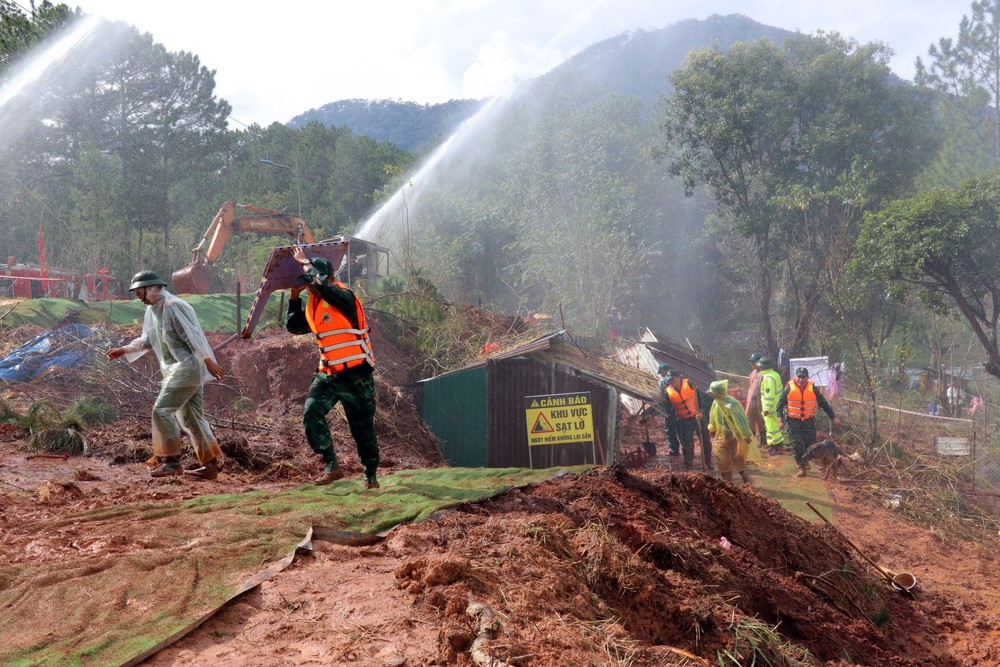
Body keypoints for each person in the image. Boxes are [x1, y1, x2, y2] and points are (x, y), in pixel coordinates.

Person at [106, 270, 225, 479]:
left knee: (161, 410)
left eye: (138, 292)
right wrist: (123, 350)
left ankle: (172, 462)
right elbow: (147, 340)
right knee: (192, 417)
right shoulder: (153, 310)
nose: (137, 297)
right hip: (176, 369)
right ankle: (210, 465)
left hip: (187, 368)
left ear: (150, 289)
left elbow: (192, 336)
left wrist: (208, 361)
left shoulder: (174, 306)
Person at [286, 246, 380, 489]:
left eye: (312, 279)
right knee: (311, 411)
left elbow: (319, 286)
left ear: (327, 278)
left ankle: (370, 476)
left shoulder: (342, 296)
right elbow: (294, 326)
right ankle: (331, 465)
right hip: (329, 375)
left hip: (356, 374)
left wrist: (305, 263)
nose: (309, 284)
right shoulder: (314, 305)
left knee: (362, 428)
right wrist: (294, 297)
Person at [778, 367, 841, 478]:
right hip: (793, 421)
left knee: (810, 445)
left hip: (808, 421)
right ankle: (801, 467)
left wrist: (833, 417)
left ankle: (806, 461)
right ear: (795, 377)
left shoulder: (812, 388)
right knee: (796, 445)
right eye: (799, 377)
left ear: (807, 378)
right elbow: (780, 404)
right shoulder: (789, 388)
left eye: (803, 377)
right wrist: (780, 419)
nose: (801, 379)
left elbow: (824, 403)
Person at [707, 380, 752, 485]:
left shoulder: (732, 404)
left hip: (734, 437)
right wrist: (712, 429)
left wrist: (746, 435)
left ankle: (747, 482)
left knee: (738, 460)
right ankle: (728, 485)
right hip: (721, 437)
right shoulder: (716, 402)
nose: (712, 394)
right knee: (723, 462)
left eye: (713, 392)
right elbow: (712, 417)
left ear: (719, 392)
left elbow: (741, 420)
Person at [661, 368, 706, 471]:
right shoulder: (668, 392)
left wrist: (701, 413)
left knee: (704, 440)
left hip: (698, 417)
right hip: (684, 420)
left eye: (672, 379)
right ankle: (689, 462)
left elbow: (701, 401)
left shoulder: (690, 384)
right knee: (687, 443)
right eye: (669, 380)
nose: (671, 382)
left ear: (678, 377)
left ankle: (708, 461)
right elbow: (668, 409)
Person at [756, 356, 787, 455]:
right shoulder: (775, 374)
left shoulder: (768, 378)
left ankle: (778, 447)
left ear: (762, 367)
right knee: (770, 428)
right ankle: (772, 446)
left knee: (773, 429)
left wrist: (766, 409)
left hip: (771, 409)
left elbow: (769, 395)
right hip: (776, 407)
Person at [656, 363, 681, 458]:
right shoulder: (679, 378)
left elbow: (664, 398)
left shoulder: (665, 381)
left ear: (664, 371)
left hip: (670, 410)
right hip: (679, 408)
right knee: (680, 429)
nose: (661, 375)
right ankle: (686, 450)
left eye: (661, 373)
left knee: (670, 430)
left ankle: (674, 450)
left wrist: (664, 410)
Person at [744, 352, 766, 453]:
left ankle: (764, 443)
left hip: (760, 402)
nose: (752, 364)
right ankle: (752, 443)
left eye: (753, 362)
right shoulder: (752, 373)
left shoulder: (764, 374)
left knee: (762, 422)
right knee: (750, 421)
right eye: (751, 362)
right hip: (751, 402)